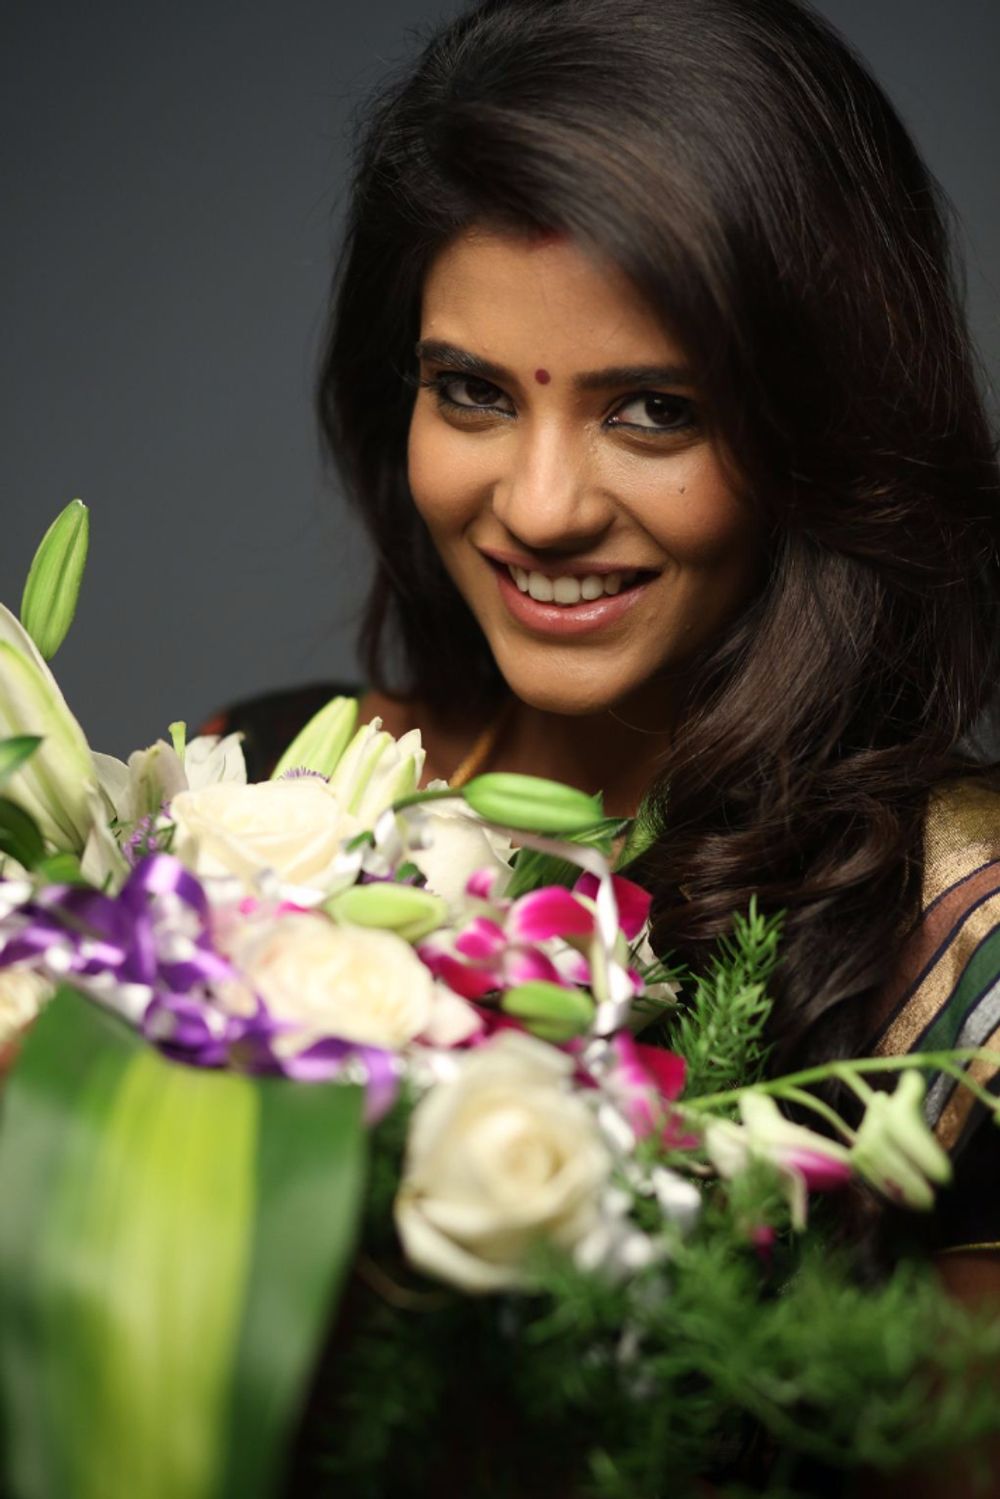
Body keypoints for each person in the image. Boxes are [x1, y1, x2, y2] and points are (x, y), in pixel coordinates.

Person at [211, 0, 1000, 1486]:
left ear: (826, 430)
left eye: (655, 410)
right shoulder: (256, 799)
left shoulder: (966, 951)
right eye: (471, 392)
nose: (543, 506)